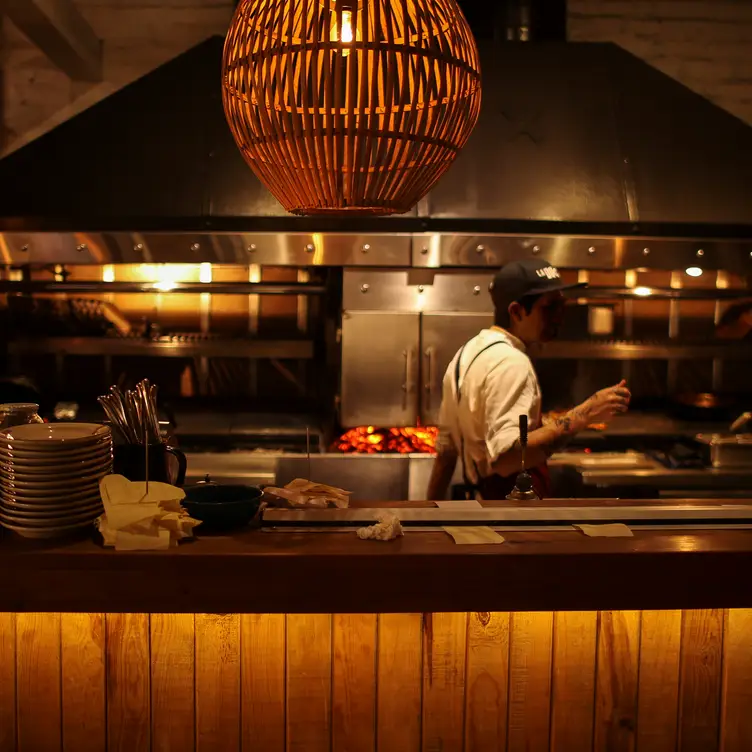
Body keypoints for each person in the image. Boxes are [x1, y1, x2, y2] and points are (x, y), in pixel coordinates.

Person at [426, 258, 631, 501]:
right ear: (516, 311)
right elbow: (507, 457)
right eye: (549, 307)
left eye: (562, 305)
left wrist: (428, 514)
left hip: (484, 507)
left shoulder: (467, 353)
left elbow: (447, 452)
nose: (560, 316)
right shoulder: (511, 362)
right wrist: (586, 413)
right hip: (510, 514)